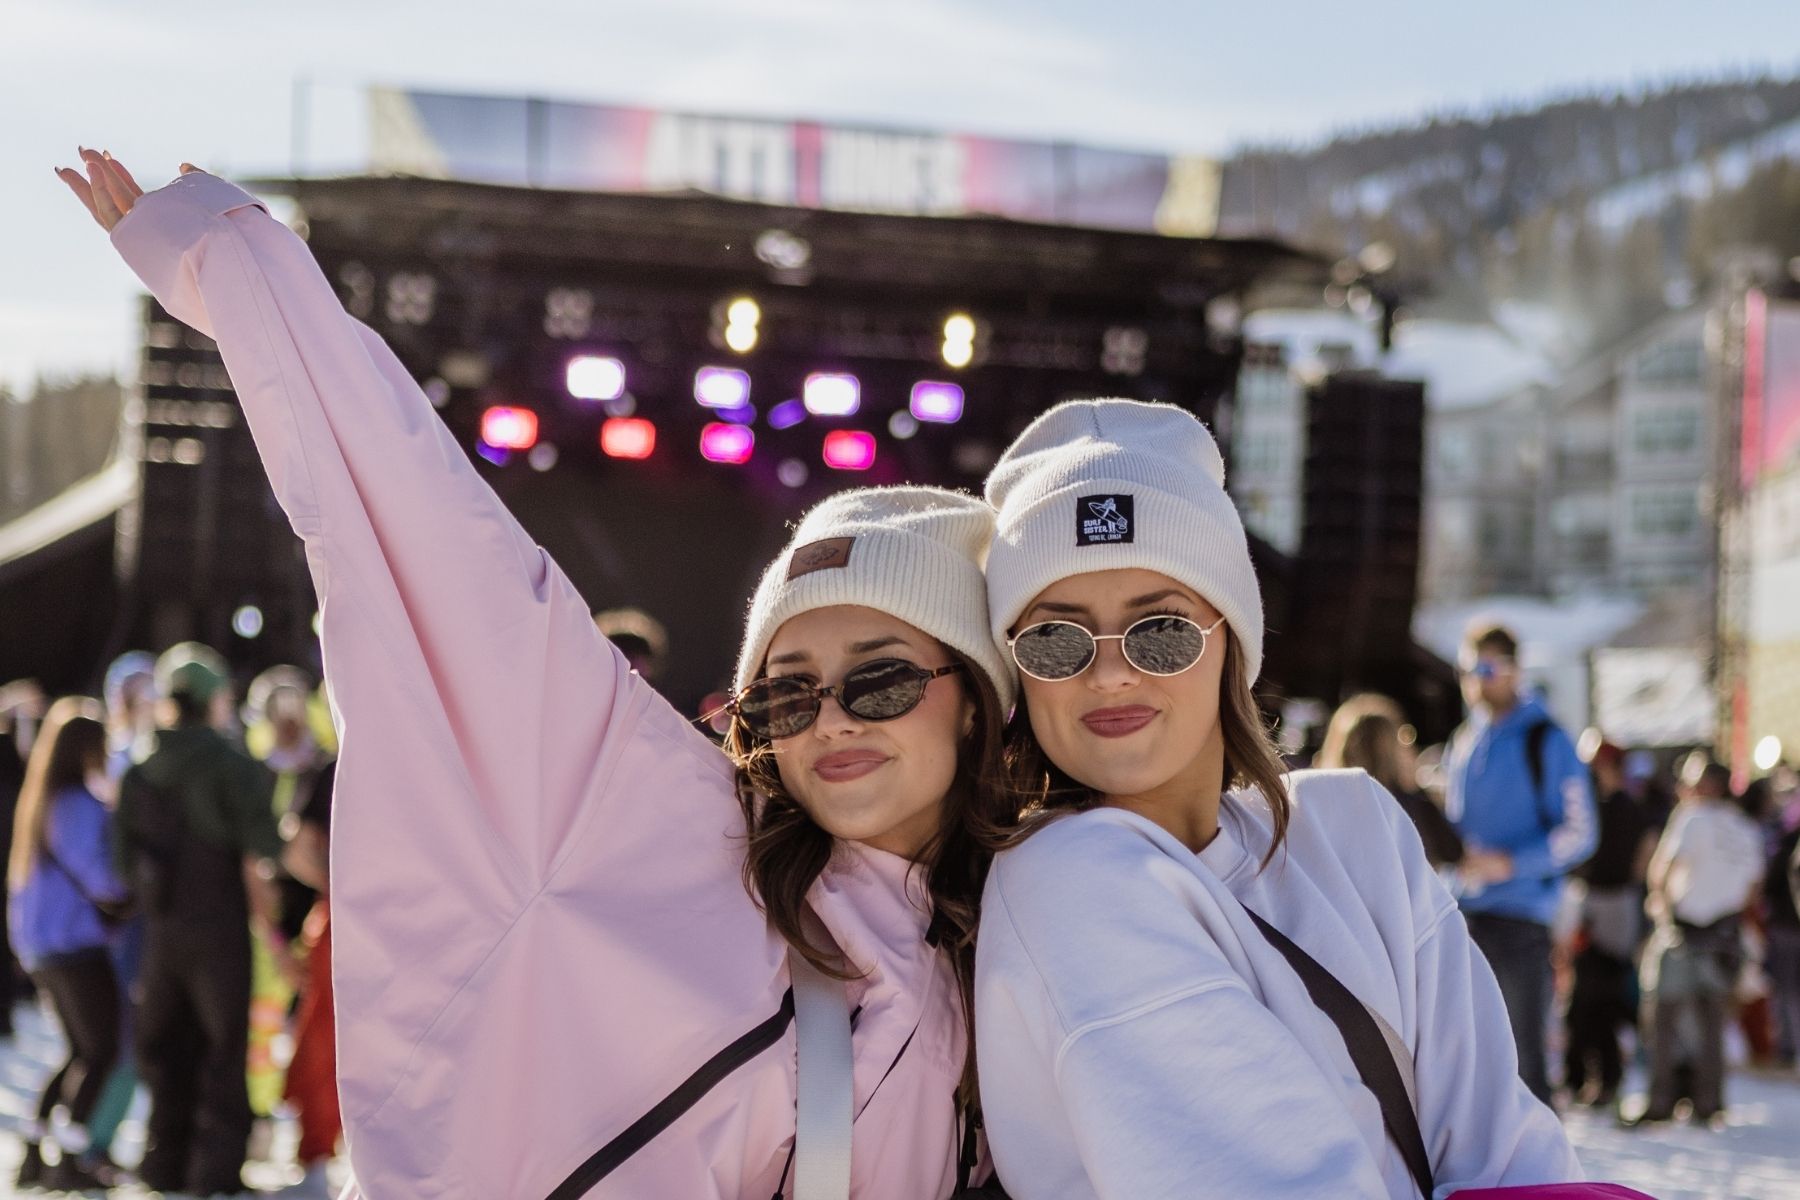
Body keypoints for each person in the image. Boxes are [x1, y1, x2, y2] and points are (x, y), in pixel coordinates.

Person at [62, 149, 1019, 1197]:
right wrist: (241, 271)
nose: (832, 720)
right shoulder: (655, 833)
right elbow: (444, 556)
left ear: (973, 701)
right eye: (788, 691)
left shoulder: (1041, 917)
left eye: (879, 682)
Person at [972, 399, 1578, 1198]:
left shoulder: (1357, 828)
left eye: (1161, 629)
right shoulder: (1060, 878)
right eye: (1056, 639)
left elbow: (1511, 1159)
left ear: (1232, 638)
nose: (1111, 672)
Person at [113, 642, 286, 1196]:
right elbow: (264, 843)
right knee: (224, 1045)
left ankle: (164, 1164)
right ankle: (214, 1174)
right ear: (214, 700)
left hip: (161, 931)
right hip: (219, 928)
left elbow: (120, 861)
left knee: (167, 1048)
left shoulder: (138, 769)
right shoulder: (231, 763)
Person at [1444, 622, 1596, 1104]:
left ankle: (1541, 1175)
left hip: (1521, 920)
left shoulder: (1546, 740)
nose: (1478, 680)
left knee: (1525, 1062)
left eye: (1488, 668)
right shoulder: (1465, 741)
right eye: (1469, 669)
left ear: (1514, 670)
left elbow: (1580, 833)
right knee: (1467, 1060)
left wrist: (1510, 864)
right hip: (1462, 915)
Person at [7, 697, 129, 1191]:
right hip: (74, 944)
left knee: (79, 1049)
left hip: (42, 946)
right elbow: (102, 878)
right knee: (100, 1050)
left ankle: (36, 1148)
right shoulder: (76, 806)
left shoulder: (37, 804)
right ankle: (73, 1155)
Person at [1629, 754, 1765, 1127]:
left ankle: (1661, 1100)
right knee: (1711, 1025)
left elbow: (1663, 870)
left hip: (1682, 932)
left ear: (1704, 785)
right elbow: (1752, 890)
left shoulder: (1692, 818)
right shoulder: (1745, 829)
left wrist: (1660, 911)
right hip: (1723, 936)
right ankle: (1709, 1102)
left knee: (1663, 1019)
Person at [1562, 738, 1656, 1108]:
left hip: (1612, 906)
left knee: (1600, 994)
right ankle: (1587, 1075)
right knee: (1586, 994)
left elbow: (1642, 859)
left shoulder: (1625, 808)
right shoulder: (1598, 807)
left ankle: (1603, 1075)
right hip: (1599, 903)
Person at [278, 757, 340, 1197]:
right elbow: (298, 850)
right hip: (344, 923)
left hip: (358, 919)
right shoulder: (332, 767)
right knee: (323, 1036)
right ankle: (316, 1150)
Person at [1317, 694, 1463, 868]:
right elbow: (1454, 853)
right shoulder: (1413, 806)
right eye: (1404, 737)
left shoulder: (1323, 807)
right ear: (1392, 750)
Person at [1765, 766, 1800, 1068]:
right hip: (1787, 923)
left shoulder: (1787, 836)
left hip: (1788, 924)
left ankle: (1790, 1047)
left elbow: (1774, 878)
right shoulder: (1785, 834)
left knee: (1789, 988)